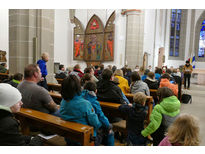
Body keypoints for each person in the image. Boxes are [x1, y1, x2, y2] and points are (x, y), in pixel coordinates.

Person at [59, 75, 101, 145]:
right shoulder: (85, 104)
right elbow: (95, 123)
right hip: (84, 138)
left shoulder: (63, 102)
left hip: (69, 137)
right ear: (78, 87)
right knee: (103, 133)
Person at [81, 81, 114, 146]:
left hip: (82, 126)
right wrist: (108, 126)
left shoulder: (80, 97)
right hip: (92, 130)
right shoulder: (93, 102)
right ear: (96, 91)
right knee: (110, 131)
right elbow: (100, 117)